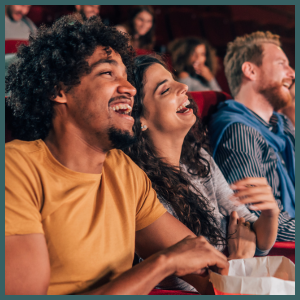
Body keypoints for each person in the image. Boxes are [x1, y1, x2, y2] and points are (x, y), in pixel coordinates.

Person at [5, 14, 229, 295]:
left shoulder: (122, 170)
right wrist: (162, 264)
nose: (130, 88)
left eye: (126, 76)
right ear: (58, 90)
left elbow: (210, 273)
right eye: (108, 73)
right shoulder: (15, 169)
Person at [123, 55, 279, 292]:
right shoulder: (142, 188)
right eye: (165, 90)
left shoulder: (198, 159)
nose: (184, 86)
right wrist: (238, 259)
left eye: (174, 79)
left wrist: (269, 215)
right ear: (140, 120)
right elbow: (192, 283)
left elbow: (252, 236)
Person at [208, 31, 295, 241]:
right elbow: (257, 219)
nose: (292, 73)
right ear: (251, 71)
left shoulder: (281, 125)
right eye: (281, 63)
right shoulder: (238, 130)